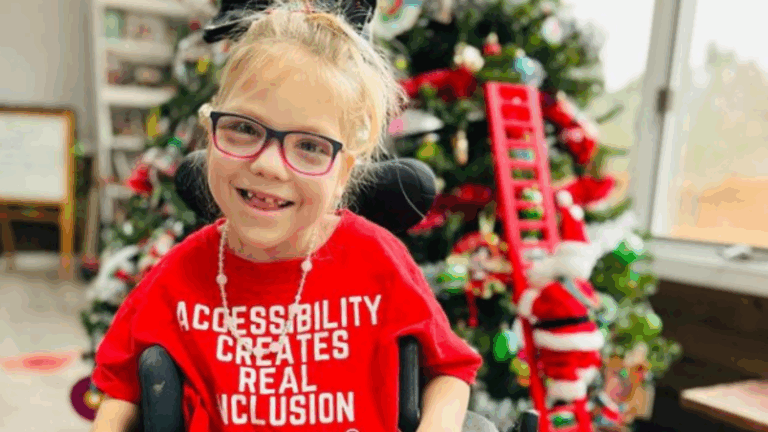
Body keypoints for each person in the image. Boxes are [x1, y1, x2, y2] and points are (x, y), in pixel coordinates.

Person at [90, 1, 483, 431]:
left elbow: (451, 371)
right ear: (210, 133)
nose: (270, 166)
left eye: (310, 146)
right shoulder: (178, 277)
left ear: (341, 175)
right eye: (243, 128)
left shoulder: (377, 259)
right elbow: (120, 391)